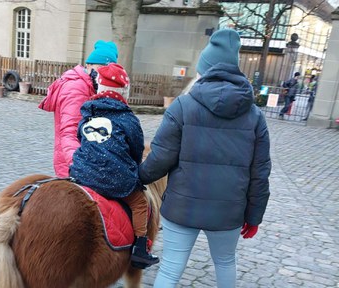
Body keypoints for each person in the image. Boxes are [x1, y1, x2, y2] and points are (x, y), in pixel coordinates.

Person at [138, 29, 271, 287]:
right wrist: (254, 216)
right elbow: (260, 173)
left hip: (182, 207)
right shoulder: (255, 116)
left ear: (204, 68)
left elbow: (161, 158)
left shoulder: (182, 106)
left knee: (170, 270)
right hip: (228, 211)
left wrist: (137, 177)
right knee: (225, 263)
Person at [69, 63, 160, 268]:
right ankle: (140, 248)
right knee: (139, 203)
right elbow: (136, 150)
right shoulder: (128, 119)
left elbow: (80, 138)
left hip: (82, 173)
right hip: (114, 179)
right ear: (123, 91)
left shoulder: (88, 114)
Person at [39, 40, 118, 177]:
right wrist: (79, 166)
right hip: (73, 164)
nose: (102, 76)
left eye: (106, 72)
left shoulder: (92, 87)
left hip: (85, 161)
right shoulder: (77, 88)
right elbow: (70, 132)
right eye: (100, 69)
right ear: (89, 65)